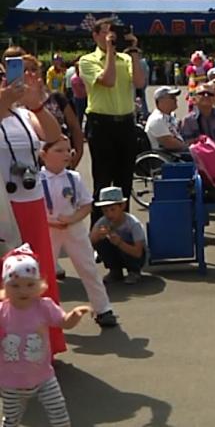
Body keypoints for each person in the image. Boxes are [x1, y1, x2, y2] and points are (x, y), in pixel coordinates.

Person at [0, 62, 66, 354]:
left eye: (3, 74)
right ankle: (9, 347)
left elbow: (52, 136)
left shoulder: (23, 113)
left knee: (37, 272)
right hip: (3, 204)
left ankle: (42, 347)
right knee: (7, 273)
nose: (4, 80)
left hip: (32, 200)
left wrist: (36, 105)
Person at [0, 244, 91, 427]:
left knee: (59, 414)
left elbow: (63, 322)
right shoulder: (2, 311)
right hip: (10, 381)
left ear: (40, 285)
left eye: (29, 284)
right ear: (5, 287)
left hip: (44, 377)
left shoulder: (44, 306)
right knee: (11, 419)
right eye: (15, 285)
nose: (23, 291)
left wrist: (74, 316)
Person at [39, 136, 117, 327]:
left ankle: (103, 308)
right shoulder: (36, 180)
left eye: (68, 150)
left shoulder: (74, 178)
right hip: (48, 230)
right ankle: (42, 313)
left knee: (88, 267)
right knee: (44, 272)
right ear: (43, 155)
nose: (66, 154)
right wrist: (50, 222)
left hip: (73, 229)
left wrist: (72, 219)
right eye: (59, 151)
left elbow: (86, 205)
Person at [79, 17, 146, 220]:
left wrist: (133, 52)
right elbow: (108, 80)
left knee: (124, 180)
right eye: (108, 33)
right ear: (96, 35)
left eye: (115, 33)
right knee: (103, 180)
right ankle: (99, 232)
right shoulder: (87, 60)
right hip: (101, 124)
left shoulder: (126, 59)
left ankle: (125, 228)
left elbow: (140, 82)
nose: (112, 37)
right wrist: (109, 50)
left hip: (125, 123)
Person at [90, 187, 148, 284]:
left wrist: (120, 243)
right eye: (105, 210)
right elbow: (90, 241)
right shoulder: (103, 222)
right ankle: (115, 270)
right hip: (118, 251)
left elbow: (138, 252)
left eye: (113, 209)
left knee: (129, 246)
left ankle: (134, 271)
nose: (109, 214)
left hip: (136, 255)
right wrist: (98, 236)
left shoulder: (133, 224)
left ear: (122, 206)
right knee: (101, 242)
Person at [144, 86, 187, 153]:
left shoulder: (170, 116)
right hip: (168, 155)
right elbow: (170, 144)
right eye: (172, 97)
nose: (176, 100)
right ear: (161, 101)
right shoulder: (157, 120)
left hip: (178, 152)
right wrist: (189, 147)